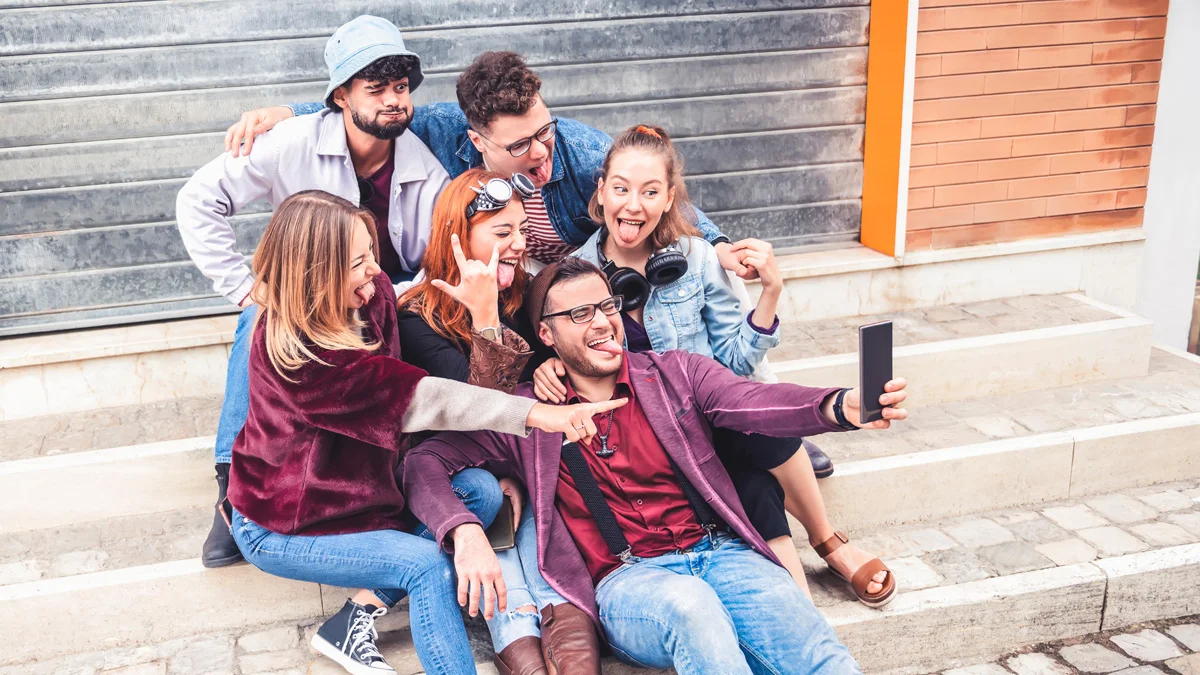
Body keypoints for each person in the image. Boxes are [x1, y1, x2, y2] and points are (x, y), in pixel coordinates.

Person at [402, 258, 910, 675]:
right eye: (579, 314)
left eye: (606, 306)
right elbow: (424, 462)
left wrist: (840, 404)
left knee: (821, 655)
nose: (602, 321)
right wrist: (464, 530)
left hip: (721, 554)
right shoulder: (528, 412)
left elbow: (753, 401)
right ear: (546, 335)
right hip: (630, 583)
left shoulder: (673, 373)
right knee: (691, 607)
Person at [228, 191, 624, 675]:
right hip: (287, 523)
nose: (376, 270)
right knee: (425, 566)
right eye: (359, 261)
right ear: (317, 273)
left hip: (364, 496)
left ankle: (351, 622)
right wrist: (543, 415)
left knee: (478, 492)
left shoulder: (371, 301)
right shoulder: (304, 361)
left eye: (371, 252)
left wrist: (483, 315)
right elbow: (428, 399)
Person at [533, 124, 894, 606]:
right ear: (600, 191)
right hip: (653, 437)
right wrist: (546, 366)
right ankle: (813, 583)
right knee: (752, 487)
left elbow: (735, 363)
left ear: (670, 200)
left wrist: (770, 295)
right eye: (620, 189)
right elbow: (558, 342)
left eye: (650, 191)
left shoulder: (697, 258)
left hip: (716, 412)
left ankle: (824, 548)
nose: (632, 205)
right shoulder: (577, 277)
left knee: (759, 444)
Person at [176, 15, 451, 567]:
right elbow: (197, 199)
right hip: (305, 302)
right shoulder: (291, 141)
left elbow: (437, 259)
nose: (394, 101)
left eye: (401, 88)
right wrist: (243, 287)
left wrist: (397, 296)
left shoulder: (427, 165)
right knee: (261, 321)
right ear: (341, 97)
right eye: (376, 90)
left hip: (390, 297)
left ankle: (415, 473)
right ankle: (232, 491)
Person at [223, 50, 751, 274]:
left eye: (543, 131)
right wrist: (290, 112)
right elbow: (370, 110)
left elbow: (666, 195)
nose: (539, 151)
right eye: (519, 146)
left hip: (584, 265)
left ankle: (764, 420)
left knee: (704, 275)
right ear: (477, 140)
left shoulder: (584, 150)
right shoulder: (441, 128)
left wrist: (722, 246)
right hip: (506, 269)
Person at [395, 169, 598, 674]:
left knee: (538, 515)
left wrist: (553, 362)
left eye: (521, 232)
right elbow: (472, 412)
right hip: (448, 470)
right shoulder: (414, 315)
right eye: (501, 232)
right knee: (493, 499)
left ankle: (566, 637)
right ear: (457, 238)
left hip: (521, 459)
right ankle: (522, 645)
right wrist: (485, 320)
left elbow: (535, 391)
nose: (517, 245)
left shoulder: (523, 293)